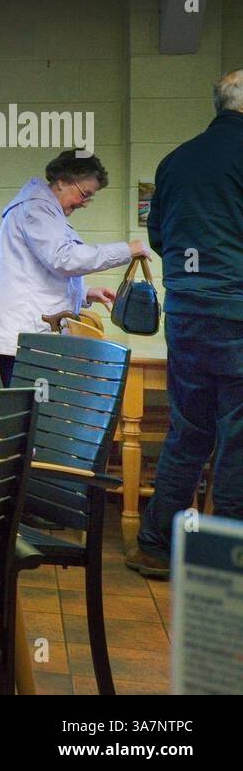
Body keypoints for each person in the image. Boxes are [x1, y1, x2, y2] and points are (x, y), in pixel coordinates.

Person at [127, 71, 243, 579]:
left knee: (189, 430)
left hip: (188, 314)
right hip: (238, 311)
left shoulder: (175, 161)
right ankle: (226, 561)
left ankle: (155, 546)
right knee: (238, 436)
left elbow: (159, 235)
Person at [0, 151, 147, 387]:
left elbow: (40, 273)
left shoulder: (45, 211)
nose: (85, 203)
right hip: (23, 332)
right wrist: (126, 250)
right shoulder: (36, 209)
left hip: (28, 330)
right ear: (63, 180)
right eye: (85, 194)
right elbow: (64, 259)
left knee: (36, 410)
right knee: (33, 411)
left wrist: (85, 294)